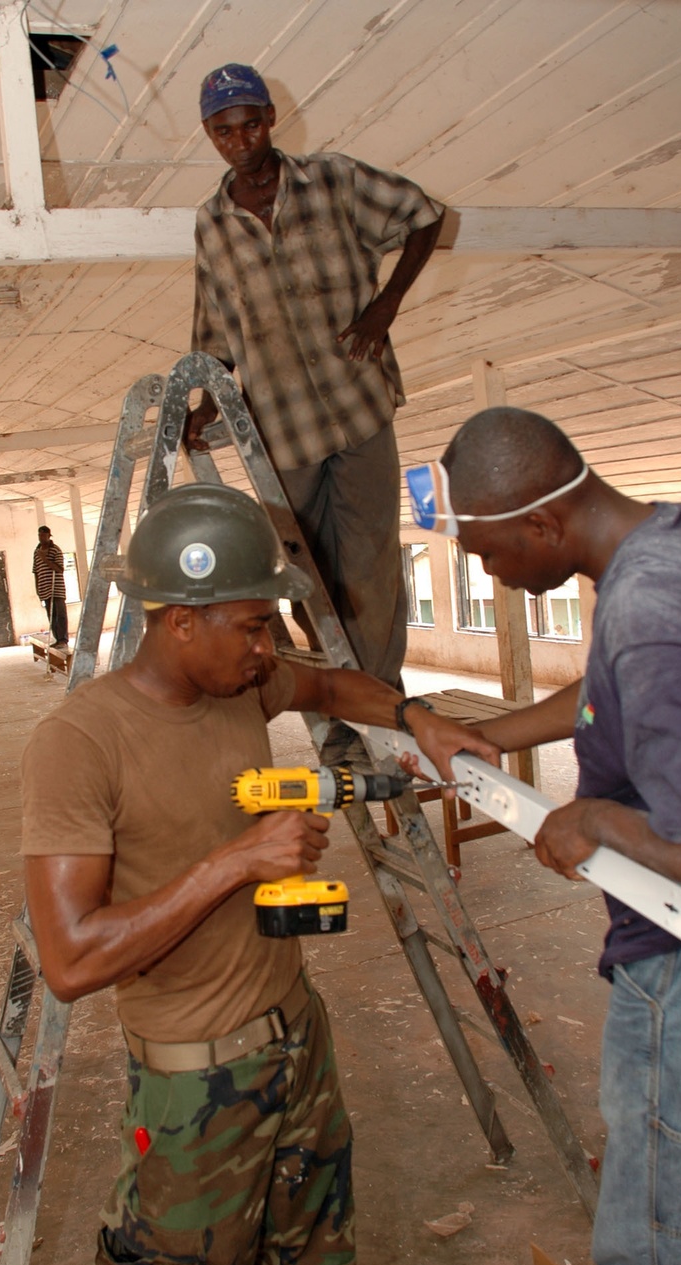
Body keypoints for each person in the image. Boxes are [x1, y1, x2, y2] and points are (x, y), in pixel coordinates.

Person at [20, 483, 473, 1265]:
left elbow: (332, 682)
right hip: (195, 1089)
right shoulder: (80, 743)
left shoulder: (239, 680)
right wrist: (236, 861)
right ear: (179, 620)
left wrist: (420, 721)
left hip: (298, 1049)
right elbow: (69, 961)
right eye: (251, 625)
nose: (270, 648)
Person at [409, 406, 681, 1265]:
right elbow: (612, 690)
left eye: (489, 553)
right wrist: (501, 727)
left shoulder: (648, 614)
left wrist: (598, 822)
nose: (489, 574)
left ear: (540, 526)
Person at [186, 63, 445, 758]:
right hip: (283, 427)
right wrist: (205, 398)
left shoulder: (332, 180)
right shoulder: (211, 226)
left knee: (372, 563)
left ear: (270, 118)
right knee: (306, 575)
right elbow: (215, 325)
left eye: (250, 124)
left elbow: (425, 215)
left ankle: (380, 698)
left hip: (359, 404)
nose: (239, 141)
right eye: (223, 131)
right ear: (209, 137)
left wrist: (385, 307)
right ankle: (338, 711)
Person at [32, 525, 68, 647]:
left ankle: (63, 639)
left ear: (49, 535)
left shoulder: (55, 550)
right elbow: (35, 572)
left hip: (56, 588)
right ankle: (57, 639)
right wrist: (38, 589)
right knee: (51, 615)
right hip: (44, 588)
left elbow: (59, 569)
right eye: (39, 535)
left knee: (61, 614)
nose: (41, 537)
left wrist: (45, 559)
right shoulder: (36, 552)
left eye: (43, 535)